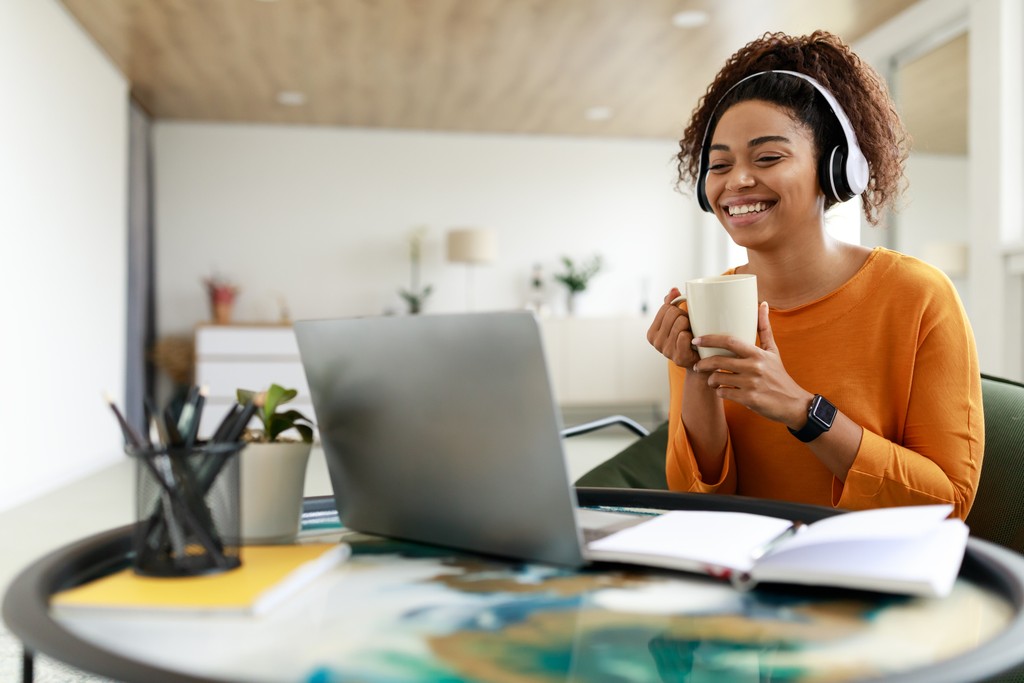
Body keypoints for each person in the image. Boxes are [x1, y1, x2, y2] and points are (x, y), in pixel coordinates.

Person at [646, 31, 983, 520]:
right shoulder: (705, 305)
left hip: (872, 571)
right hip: (745, 573)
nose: (737, 181)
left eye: (768, 157)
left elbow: (948, 502)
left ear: (835, 169)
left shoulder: (917, 296)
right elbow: (700, 508)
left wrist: (804, 412)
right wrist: (698, 378)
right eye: (719, 165)